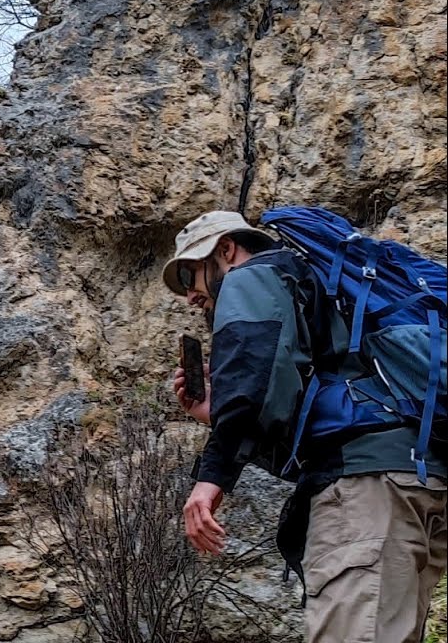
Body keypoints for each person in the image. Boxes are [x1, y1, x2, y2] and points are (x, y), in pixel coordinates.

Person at [162, 210, 447, 643]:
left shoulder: (251, 276)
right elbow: (315, 443)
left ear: (226, 250)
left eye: (189, 274)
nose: (189, 296)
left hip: (370, 491)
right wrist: (215, 415)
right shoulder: (326, 299)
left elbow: (252, 377)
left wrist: (211, 476)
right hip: (416, 479)